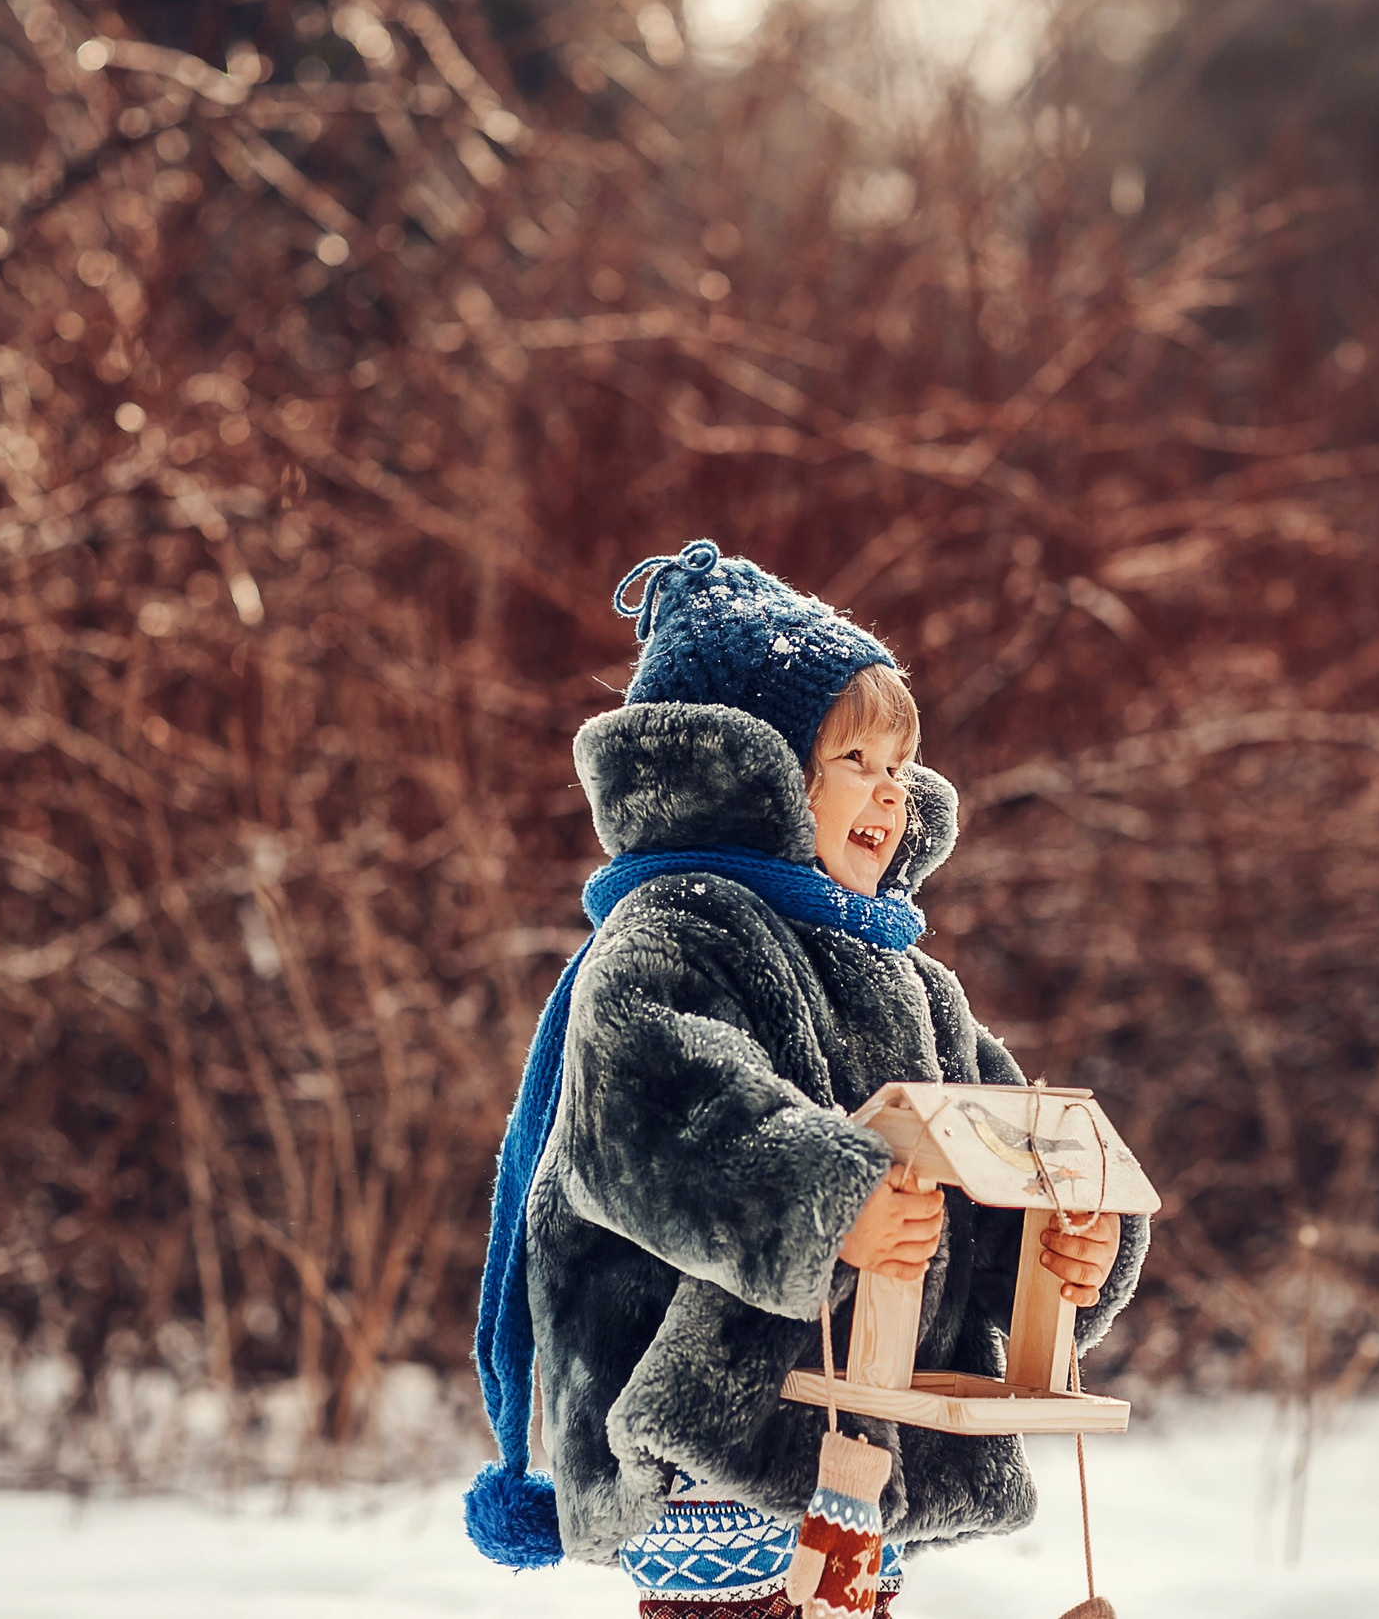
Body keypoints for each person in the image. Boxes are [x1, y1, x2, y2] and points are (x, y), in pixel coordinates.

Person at [464, 539, 1150, 1617]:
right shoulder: (670, 937)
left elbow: (982, 1146)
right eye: (854, 760)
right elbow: (658, 1127)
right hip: (710, 1443)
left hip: (859, 1437)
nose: (890, 792)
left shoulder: (909, 981)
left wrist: (1056, 1242)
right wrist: (833, 1203)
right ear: (755, 777)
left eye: (899, 766)